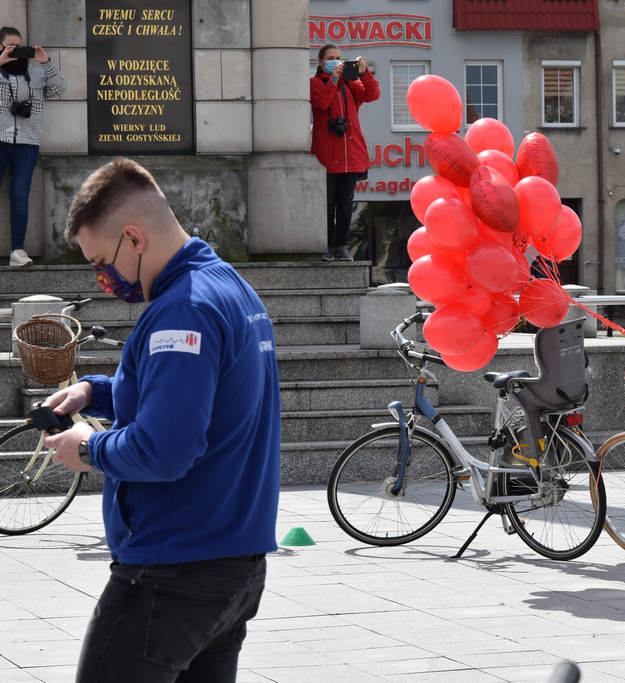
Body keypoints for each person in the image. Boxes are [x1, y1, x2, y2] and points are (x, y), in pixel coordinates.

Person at [42, 158, 281, 681]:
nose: (102, 278)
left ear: (134, 237)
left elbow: (165, 448)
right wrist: (94, 390)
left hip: (173, 571)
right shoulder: (225, 286)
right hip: (232, 564)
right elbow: (200, 393)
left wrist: (88, 449)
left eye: (102, 261)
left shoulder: (182, 312)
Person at [0, 26, 64, 267]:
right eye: (10, 47)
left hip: (27, 143)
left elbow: (60, 88)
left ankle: (17, 251)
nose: (17, 52)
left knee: (19, 196)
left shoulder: (36, 73)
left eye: (20, 46)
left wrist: (46, 62)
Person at [310, 44, 379, 261]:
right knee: (327, 203)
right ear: (321, 63)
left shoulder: (350, 84)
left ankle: (342, 246)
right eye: (331, 58)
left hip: (352, 154)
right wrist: (332, 80)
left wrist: (363, 72)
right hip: (327, 155)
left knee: (346, 203)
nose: (336, 61)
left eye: (339, 58)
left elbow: (373, 94)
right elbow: (321, 104)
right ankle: (327, 246)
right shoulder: (315, 83)